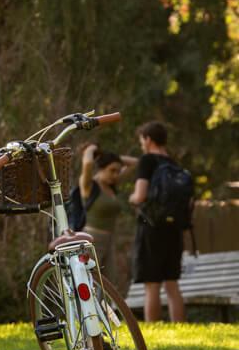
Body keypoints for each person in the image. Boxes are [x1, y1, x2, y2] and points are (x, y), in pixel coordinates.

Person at [129, 122, 186, 323]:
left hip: (152, 226)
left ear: (148, 139)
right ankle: (180, 326)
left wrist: (132, 198)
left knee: (152, 283)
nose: (141, 145)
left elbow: (140, 195)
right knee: (172, 283)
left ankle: (153, 327)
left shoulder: (147, 161)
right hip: (174, 227)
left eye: (142, 140)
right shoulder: (174, 164)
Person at [78, 144, 136, 276]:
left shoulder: (111, 186)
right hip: (92, 240)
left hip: (109, 239)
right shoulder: (89, 185)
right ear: (101, 168)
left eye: (118, 171)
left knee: (109, 282)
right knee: (90, 279)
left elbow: (134, 163)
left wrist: (110, 157)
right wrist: (91, 149)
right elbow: (87, 164)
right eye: (112, 170)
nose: (116, 175)